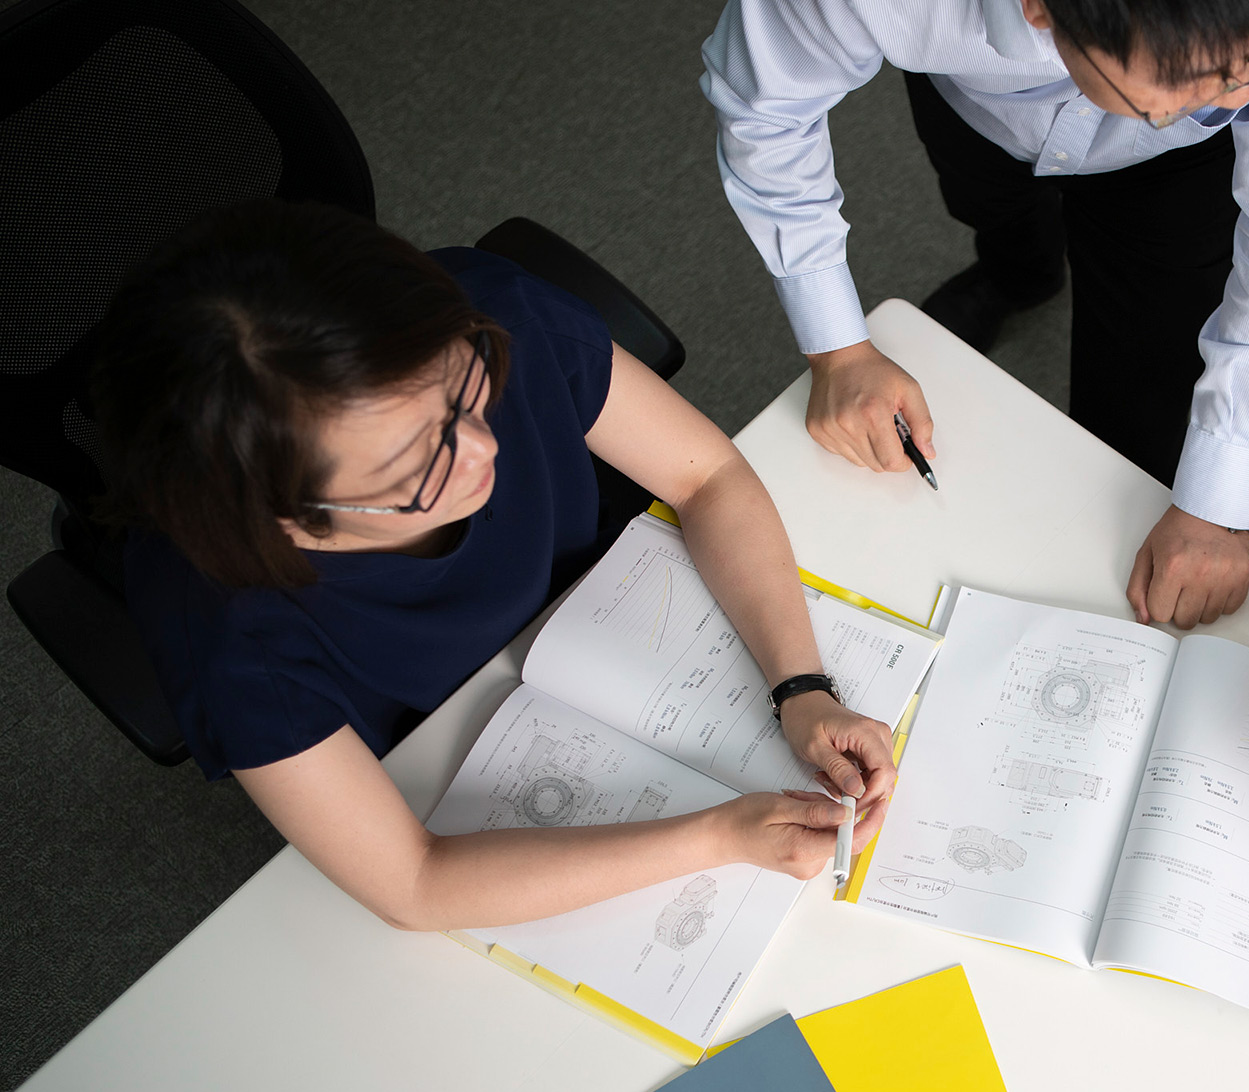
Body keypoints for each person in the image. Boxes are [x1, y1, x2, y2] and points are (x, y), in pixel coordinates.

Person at [96, 200, 896, 932]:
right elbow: (415, 885)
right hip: (439, 753)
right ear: (289, 522)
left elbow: (706, 476)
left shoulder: (486, 311)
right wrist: (720, 835)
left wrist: (801, 687)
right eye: (417, 465)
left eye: (465, 387)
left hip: (612, 611)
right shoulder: (227, 632)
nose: (484, 447)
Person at [700, 0, 1249, 629]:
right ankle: (1019, 275)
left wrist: (1218, 502)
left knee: (1143, 374)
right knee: (991, 213)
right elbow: (766, 113)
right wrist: (837, 347)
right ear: (1039, 11)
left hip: (1180, 171)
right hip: (979, 107)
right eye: (1192, 89)